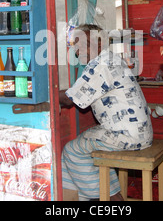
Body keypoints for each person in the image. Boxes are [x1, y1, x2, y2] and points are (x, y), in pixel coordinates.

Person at [59, 24, 153, 201]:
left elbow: (69, 99)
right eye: (75, 45)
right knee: (93, 143)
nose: (77, 51)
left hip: (127, 136)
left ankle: (102, 198)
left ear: (98, 44)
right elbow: (78, 92)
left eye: (82, 45)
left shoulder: (99, 66)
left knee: (72, 151)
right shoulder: (111, 59)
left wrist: (48, 95)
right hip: (141, 134)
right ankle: (112, 195)